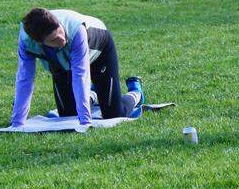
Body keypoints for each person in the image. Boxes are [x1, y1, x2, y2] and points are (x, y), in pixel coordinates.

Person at [13, 8, 143, 127]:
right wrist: (17, 122)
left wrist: (85, 121)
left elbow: (80, 76)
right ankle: (93, 95)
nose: (62, 39)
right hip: (62, 63)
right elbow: (25, 79)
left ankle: (136, 93)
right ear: (40, 43)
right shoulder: (27, 42)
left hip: (100, 53)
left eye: (60, 31)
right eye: (53, 40)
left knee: (113, 115)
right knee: (68, 117)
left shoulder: (76, 31)